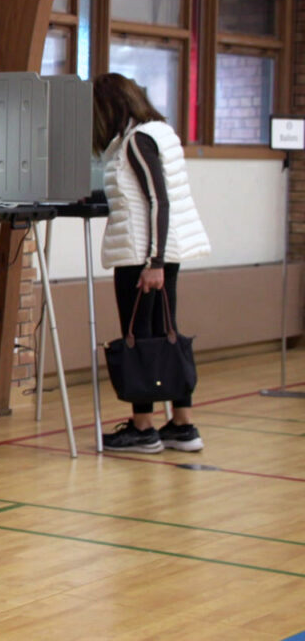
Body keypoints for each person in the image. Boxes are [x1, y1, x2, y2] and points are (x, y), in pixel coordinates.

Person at [93, 73, 210, 453]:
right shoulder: (160, 132)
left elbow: (158, 201)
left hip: (143, 255)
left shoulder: (137, 140)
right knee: (165, 334)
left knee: (137, 339)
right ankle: (182, 424)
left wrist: (153, 262)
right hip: (160, 252)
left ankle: (143, 428)